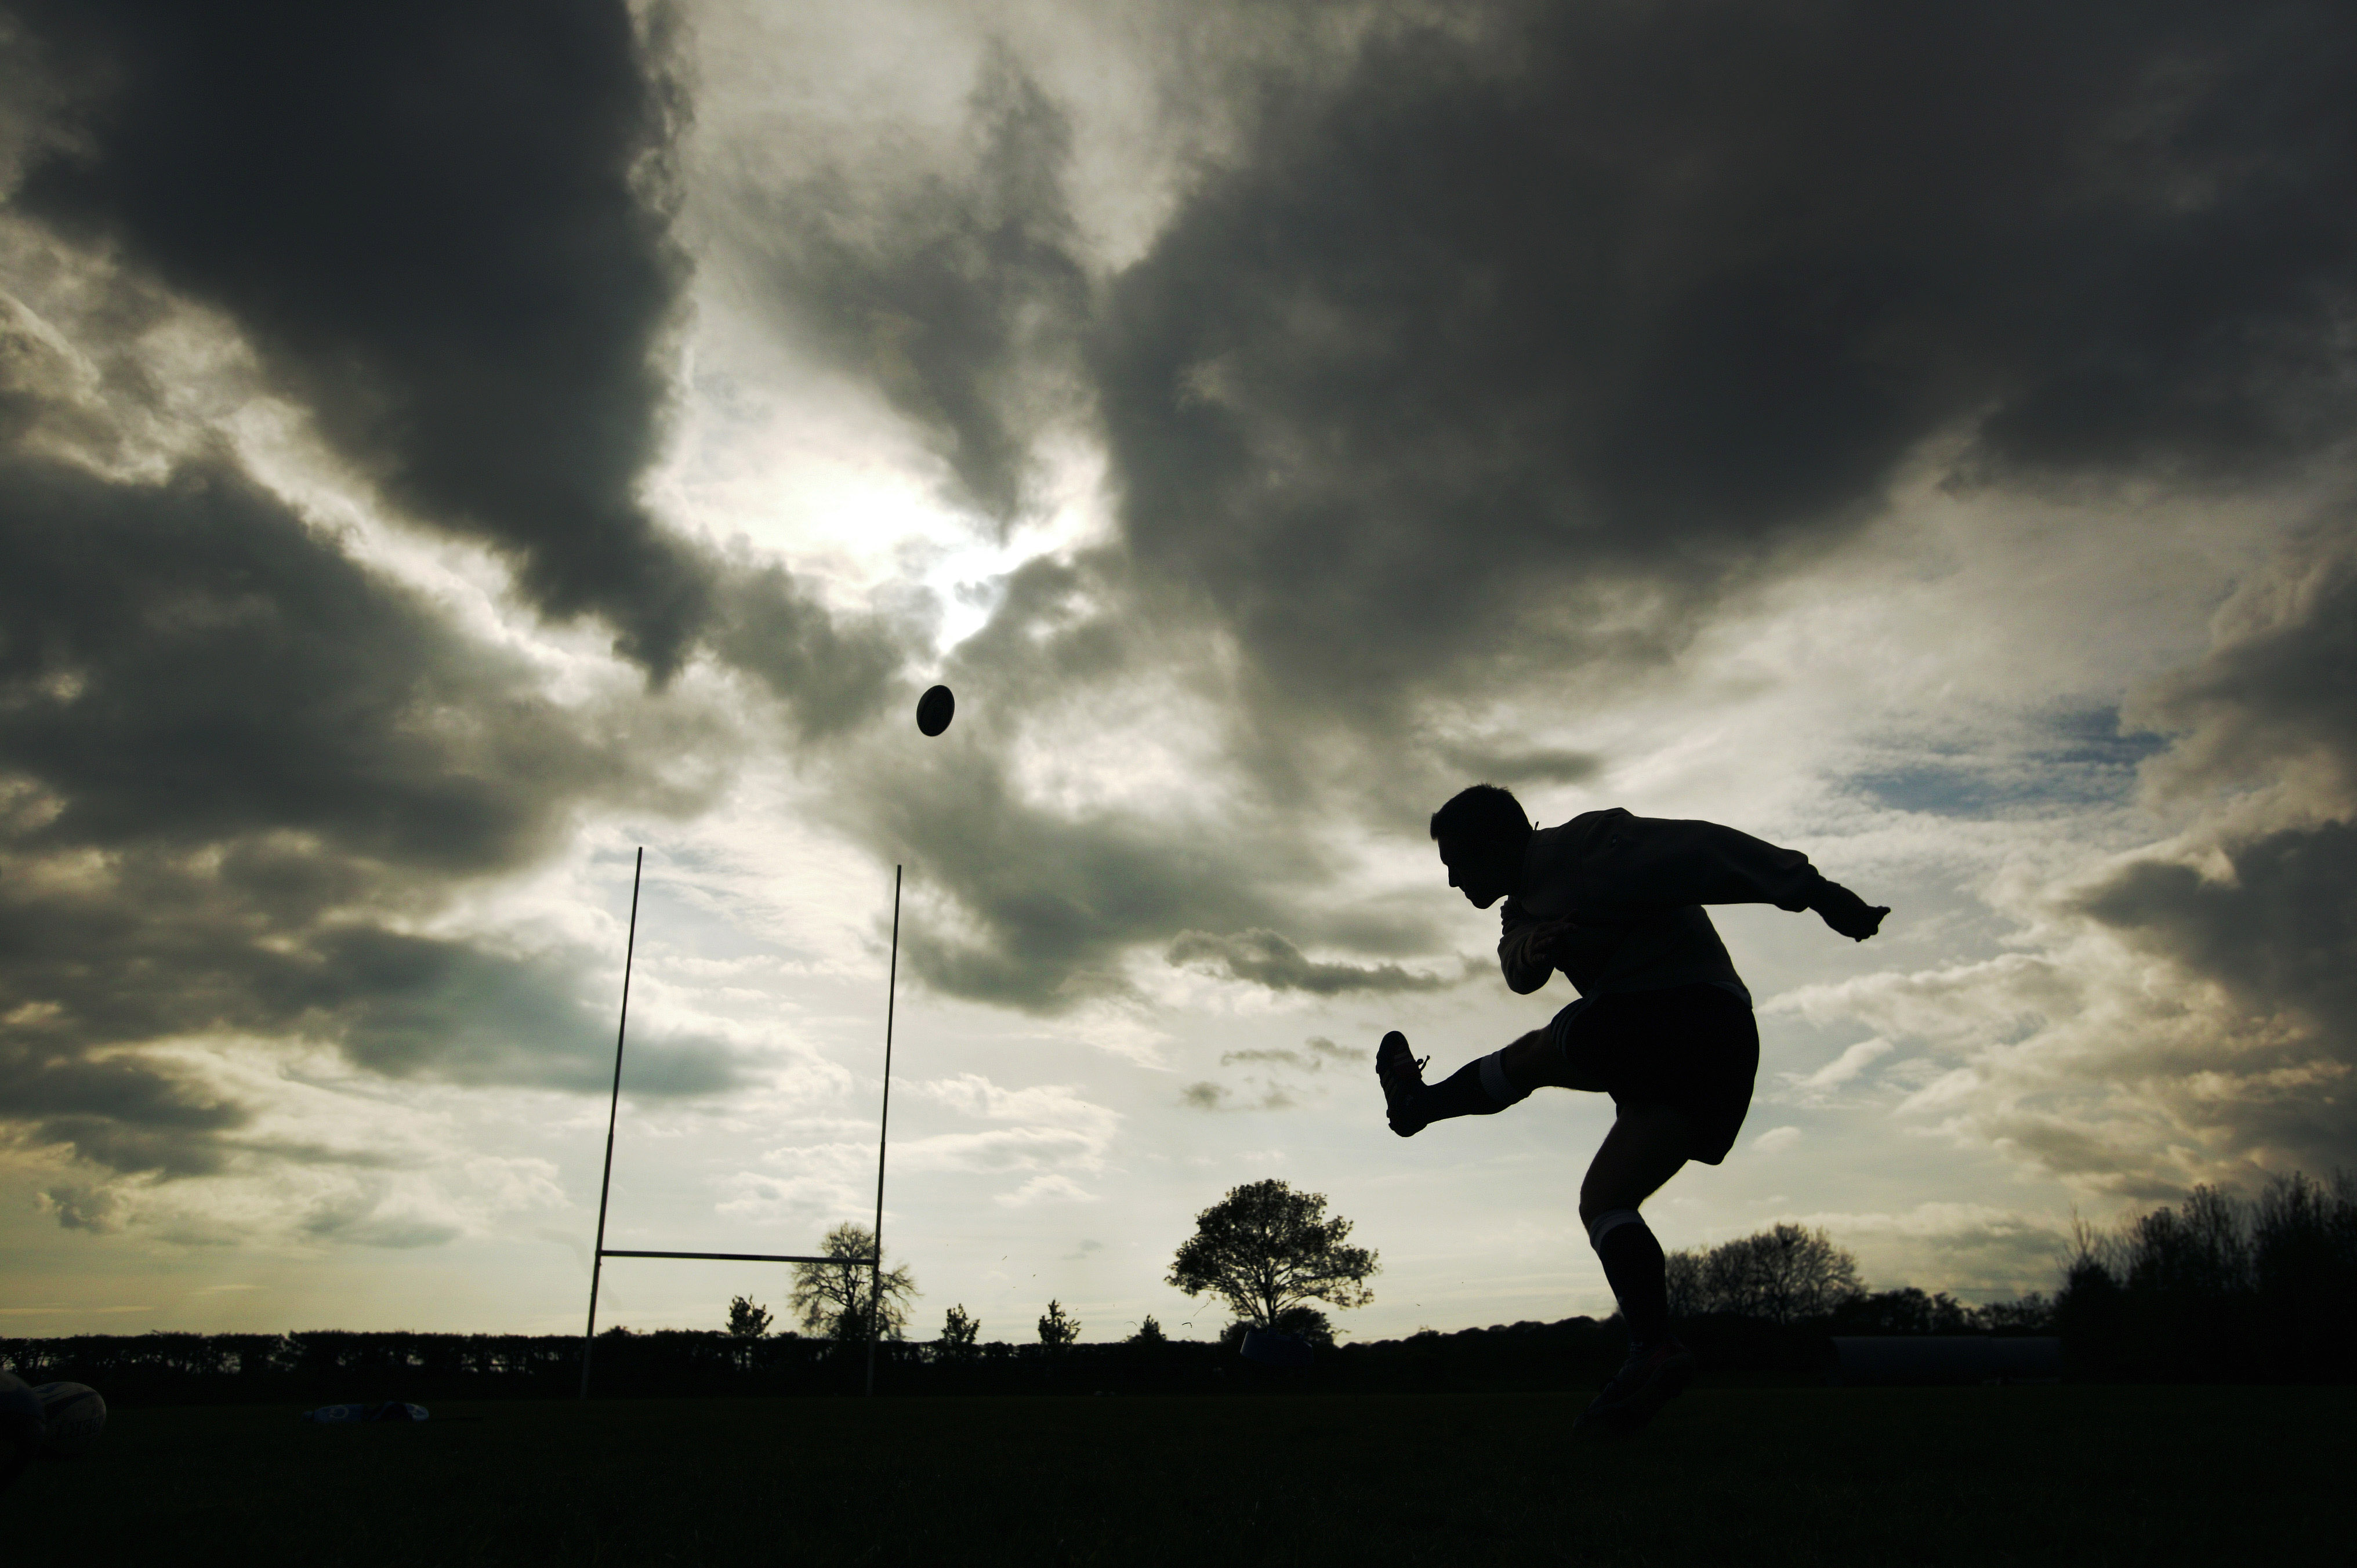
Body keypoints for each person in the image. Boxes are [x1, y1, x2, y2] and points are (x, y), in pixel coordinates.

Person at [1379, 783, 1888, 1436]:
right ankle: (1653, 1348)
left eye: (1456, 862)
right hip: (1707, 1067)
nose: (1450, 880)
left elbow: (1697, 850)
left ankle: (1421, 1104)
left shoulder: (1589, 848)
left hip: (1691, 1017)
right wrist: (1533, 955)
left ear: (1500, 842)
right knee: (1604, 1198)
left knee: (1543, 1048)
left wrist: (1810, 889)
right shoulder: (1519, 912)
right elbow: (1516, 961)